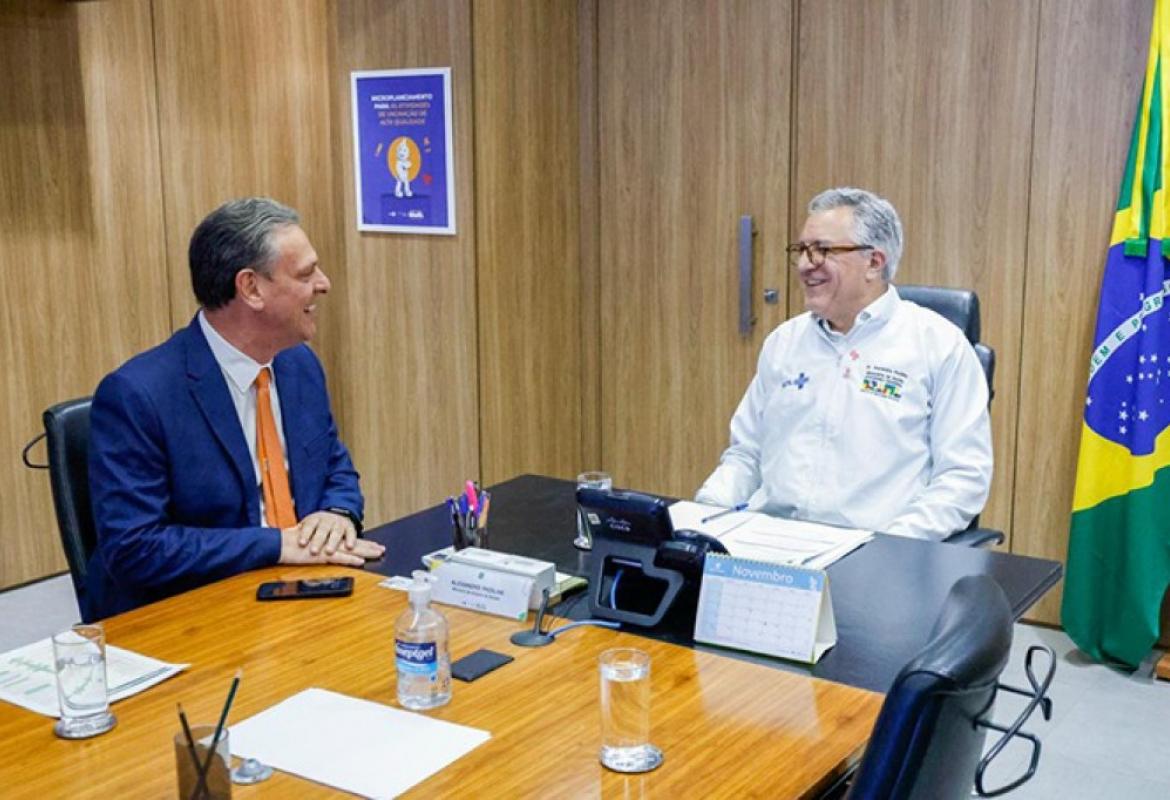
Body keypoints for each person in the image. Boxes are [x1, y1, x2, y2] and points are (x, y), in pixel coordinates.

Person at [84, 197, 384, 620]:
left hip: (304, 595)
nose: (324, 284)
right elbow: (134, 547)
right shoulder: (137, 395)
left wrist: (337, 513)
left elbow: (333, 462)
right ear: (251, 288)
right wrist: (277, 545)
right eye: (305, 274)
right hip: (192, 615)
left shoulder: (298, 364)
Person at [696, 187, 992, 541]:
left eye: (822, 250)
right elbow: (747, 454)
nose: (805, 265)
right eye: (802, 250)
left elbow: (962, 478)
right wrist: (702, 514)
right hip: (768, 544)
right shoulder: (784, 342)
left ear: (874, 262)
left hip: (876, 550)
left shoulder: (938, 345)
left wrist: (890, 545)